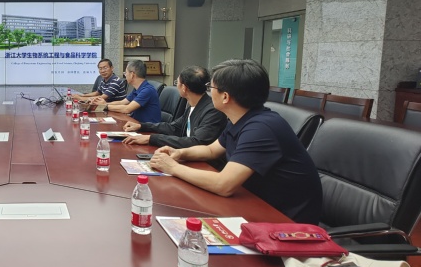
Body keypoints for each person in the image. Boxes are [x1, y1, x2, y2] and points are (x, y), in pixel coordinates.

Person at [149, 59, 322, 224]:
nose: (208, 92)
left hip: (285, 223)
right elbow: (211, 150)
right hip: (254, 204)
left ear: (225, 97)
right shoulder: (241, 118)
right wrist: (180, 153)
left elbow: (223, 184)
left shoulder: (261, 129)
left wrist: (173, 168)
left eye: (211, 87)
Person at [122, 66, 226, 148]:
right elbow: (173, 128)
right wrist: (142, 126)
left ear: (184, 88)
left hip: (204, 164)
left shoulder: (213, 111)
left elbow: (196, 142)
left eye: (177, 82)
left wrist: (152, 139)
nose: (176, 85)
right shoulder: (193, 106)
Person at [92, 59, 161, 124]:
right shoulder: (137, 89)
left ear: (132, 74)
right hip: (135, 124)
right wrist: (105, 104)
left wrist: (105, 106)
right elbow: (122, 102)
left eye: (125, 73)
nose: (125, 75)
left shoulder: (147, 90)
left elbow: (127, 109)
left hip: (147, 129)